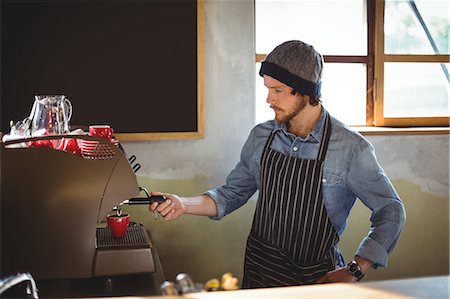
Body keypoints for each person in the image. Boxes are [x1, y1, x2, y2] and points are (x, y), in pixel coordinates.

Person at [150, 40, 406, 288]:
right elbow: (231, 194)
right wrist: (183, 204)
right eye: (267, 89)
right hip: (260, 276)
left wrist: (355, 268)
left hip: (316, 283)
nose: (269, 99)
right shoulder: (262, 136)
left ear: (305, 91)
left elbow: (391, 211)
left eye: (278, 91)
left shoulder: (351, 148)